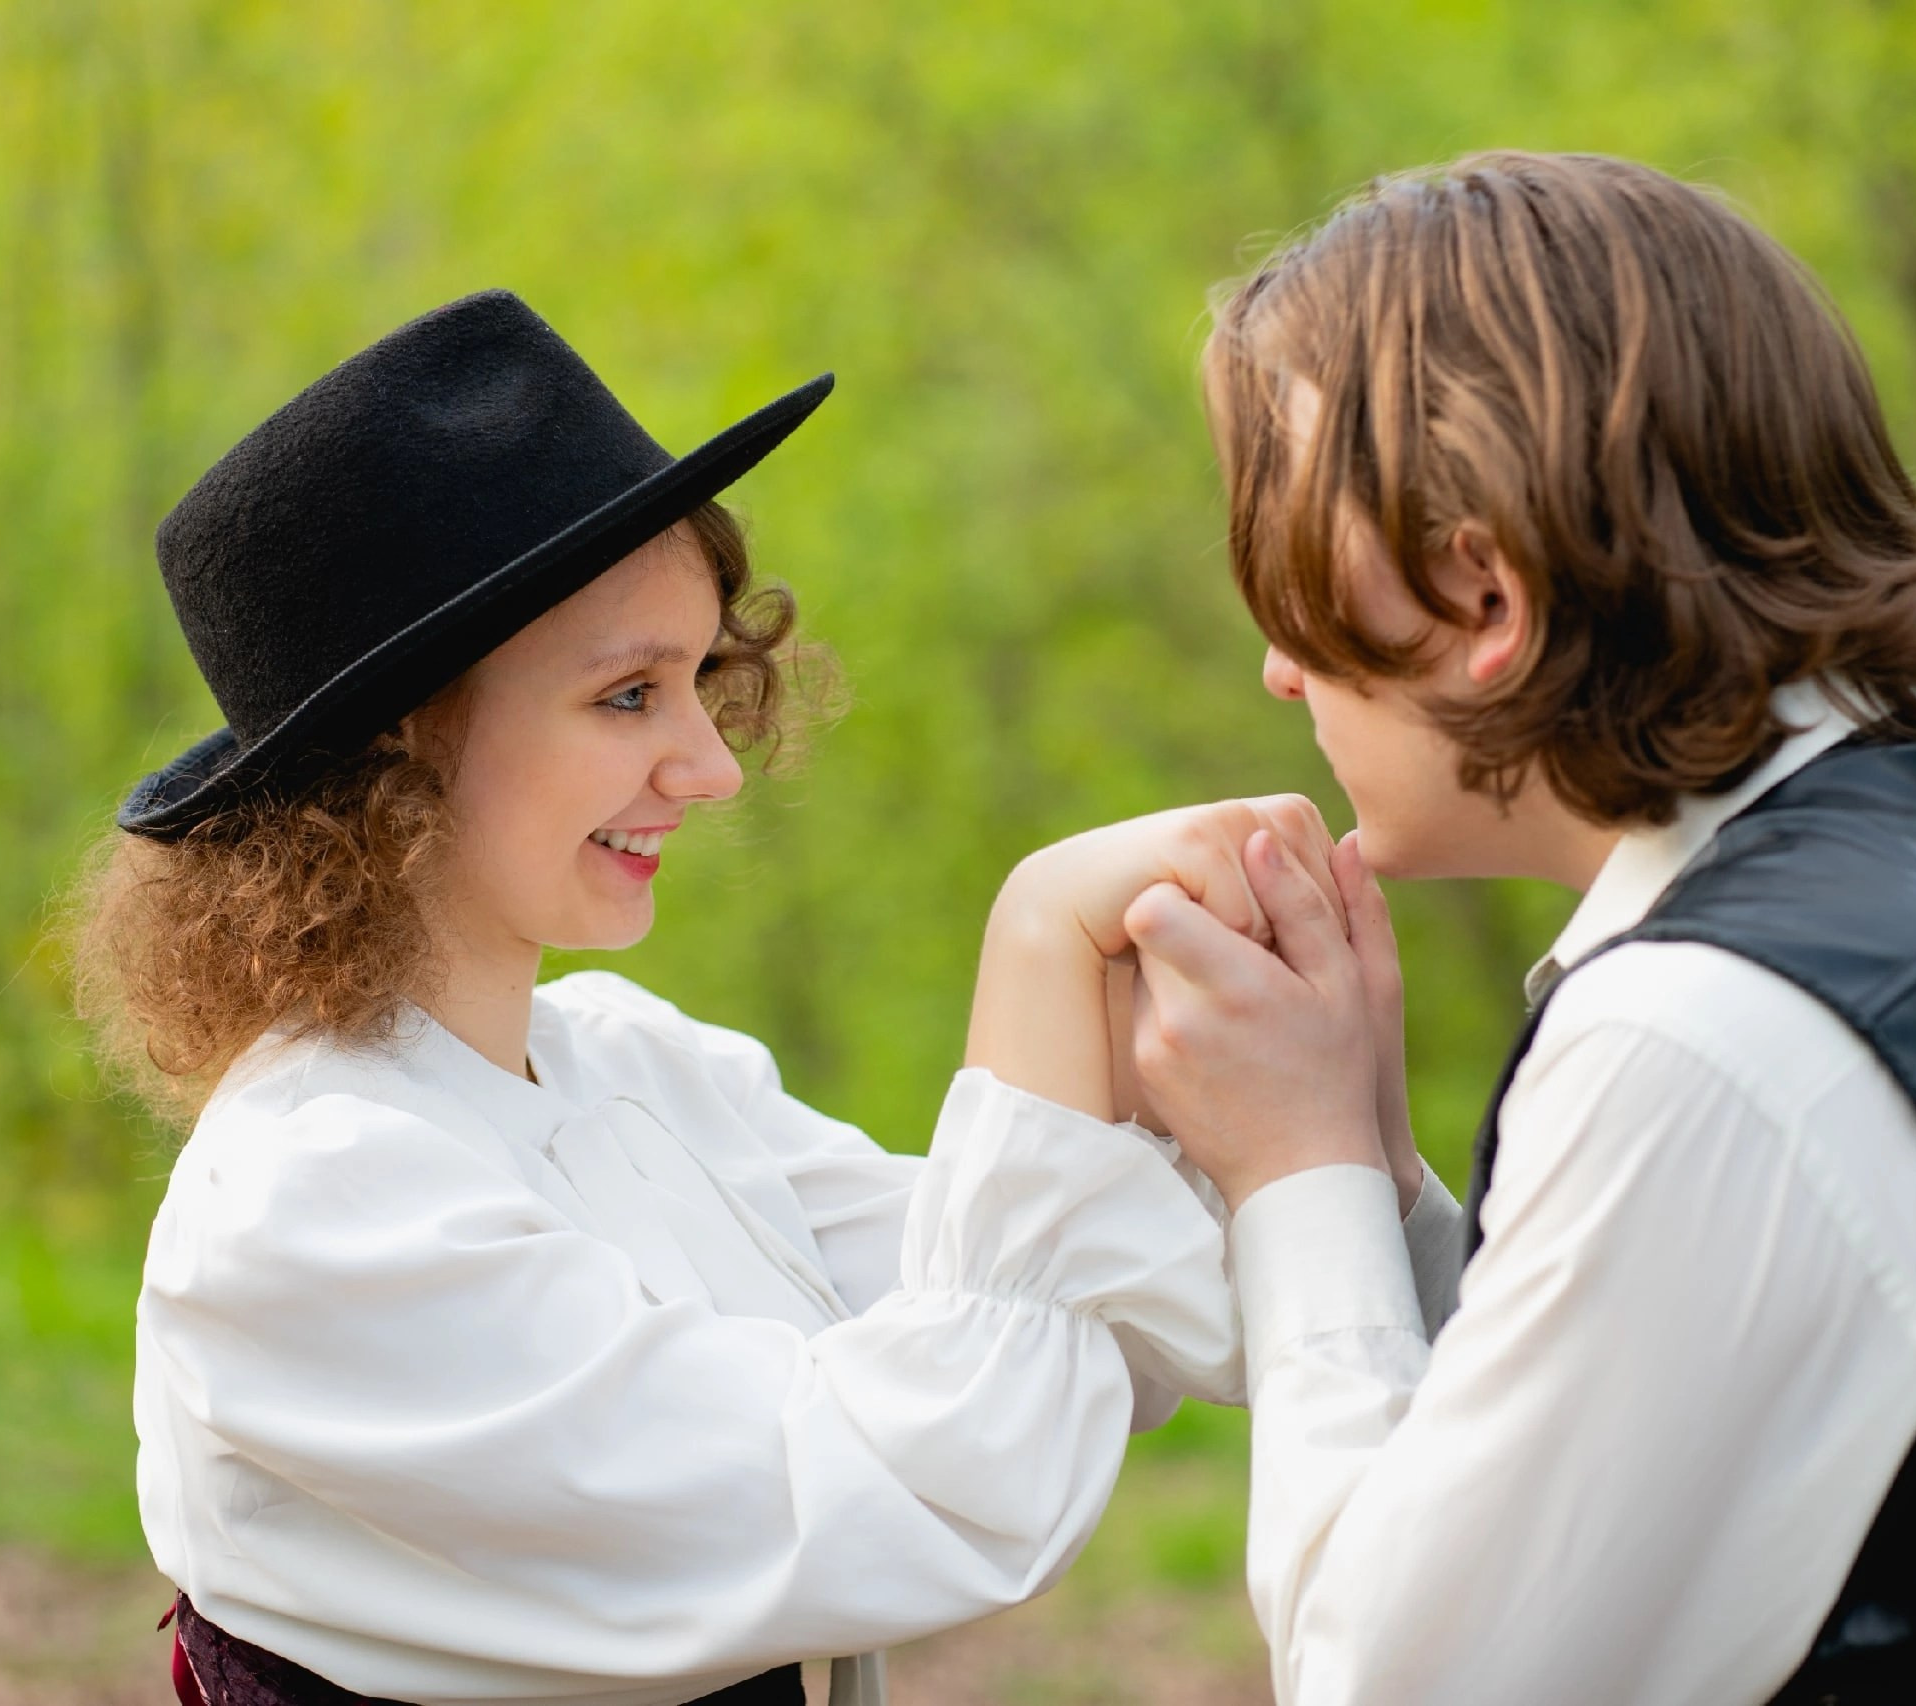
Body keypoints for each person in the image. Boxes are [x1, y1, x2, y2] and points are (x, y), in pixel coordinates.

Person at [75, 289, 1370, 1706]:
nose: (712, 764)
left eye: (697, 678)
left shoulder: (639, 1072)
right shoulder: (313, 1207)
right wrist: (1038, 948)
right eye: (628, 696)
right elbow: (933, 1491)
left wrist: (1274, 1094)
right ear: (401, 737)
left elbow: (1097, 1304)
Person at [1121, 152, 1916, 1704]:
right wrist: (1386, 1187)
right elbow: (1704, 1426)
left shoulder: (1709, 1034)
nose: (1277, 663)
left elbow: (1392, 1684)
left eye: (1293, 562)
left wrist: (1296, 1176)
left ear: (1485, 599)